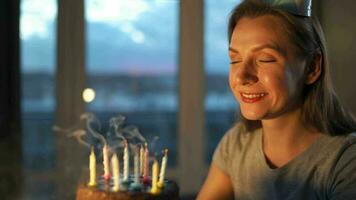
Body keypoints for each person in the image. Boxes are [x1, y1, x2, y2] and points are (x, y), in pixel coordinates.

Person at [197, 0, 356, 199]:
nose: (240, 76)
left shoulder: (345, 162)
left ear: (312, 67)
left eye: (265, 59)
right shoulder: (236, 145)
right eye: (235, 60)